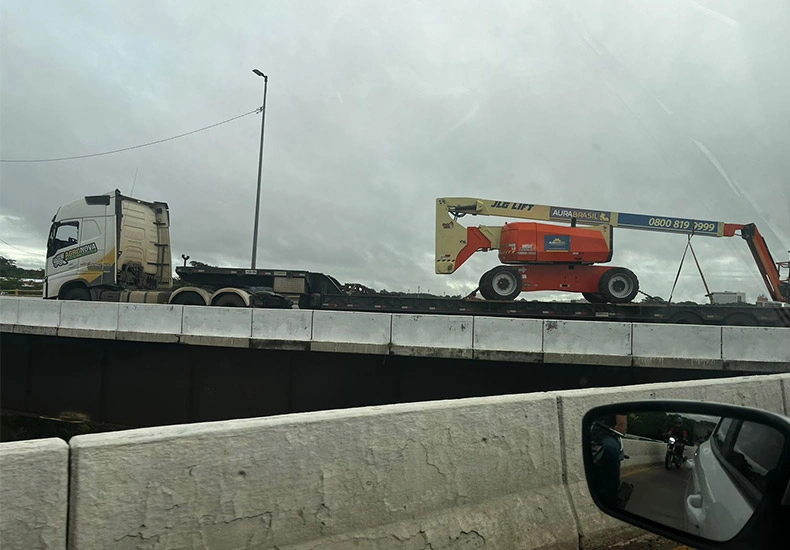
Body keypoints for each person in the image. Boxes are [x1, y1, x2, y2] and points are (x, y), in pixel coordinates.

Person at [590, 413, 628, 509]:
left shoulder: (618, 402)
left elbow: (622, 426)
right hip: (587, 433)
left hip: (606, 435)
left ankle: (611, 499)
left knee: (611, 449)